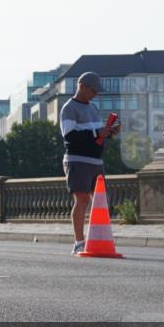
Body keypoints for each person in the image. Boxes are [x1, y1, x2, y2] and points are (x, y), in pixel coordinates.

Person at [61, 71, 120, 255]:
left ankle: (99, 238)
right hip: (77, 160)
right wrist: (98, 133)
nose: (96, 94)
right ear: (82, 86)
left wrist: (109, 132)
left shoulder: (93, 108)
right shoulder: (69, 108)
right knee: (82, 199)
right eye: (93, 90)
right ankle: (79, 242)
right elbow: (69, 137)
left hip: (96, 160)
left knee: (101, 201)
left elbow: (96, 135)